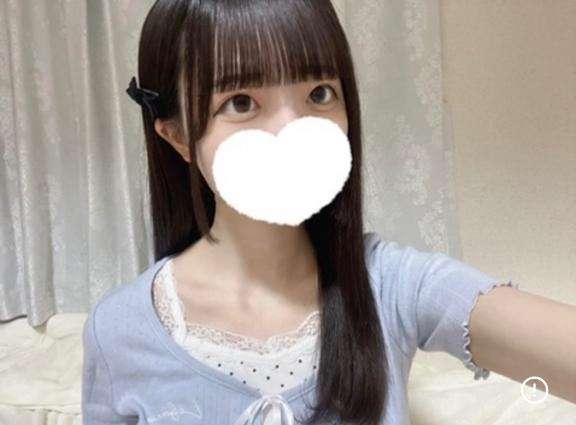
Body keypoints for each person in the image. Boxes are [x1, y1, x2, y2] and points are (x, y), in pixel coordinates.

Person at [82, 1, 518, 424]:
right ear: (177, 137)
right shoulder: (119, 330)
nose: (294, 132)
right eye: (240, 103)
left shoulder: (391, 285)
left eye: (319, 94)